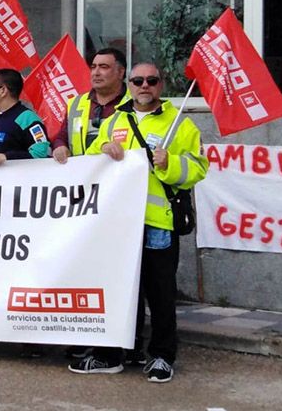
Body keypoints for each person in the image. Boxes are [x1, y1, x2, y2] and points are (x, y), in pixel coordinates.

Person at [69, 62, 208, 383]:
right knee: (119, 291)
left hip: (157, 223)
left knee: (160, 293)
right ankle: (113, 354)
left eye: (151, 80)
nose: (144, 85)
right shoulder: (116, 119)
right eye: (137, 80)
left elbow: (198, 169)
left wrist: (170, 163)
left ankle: (161, 356)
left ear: (161, 84)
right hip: (118, 224)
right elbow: (90, 155)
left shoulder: (181, 124)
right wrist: (102, 146)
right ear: (128, 84)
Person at [52, 47, 128, 163]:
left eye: (103, 67)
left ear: (121, 72)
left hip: (121, 176)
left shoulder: (135, 103)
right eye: (93, 67)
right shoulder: (75, 103)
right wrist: (59, 147)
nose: (96, 73)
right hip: (84, 176)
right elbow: (63, 136)